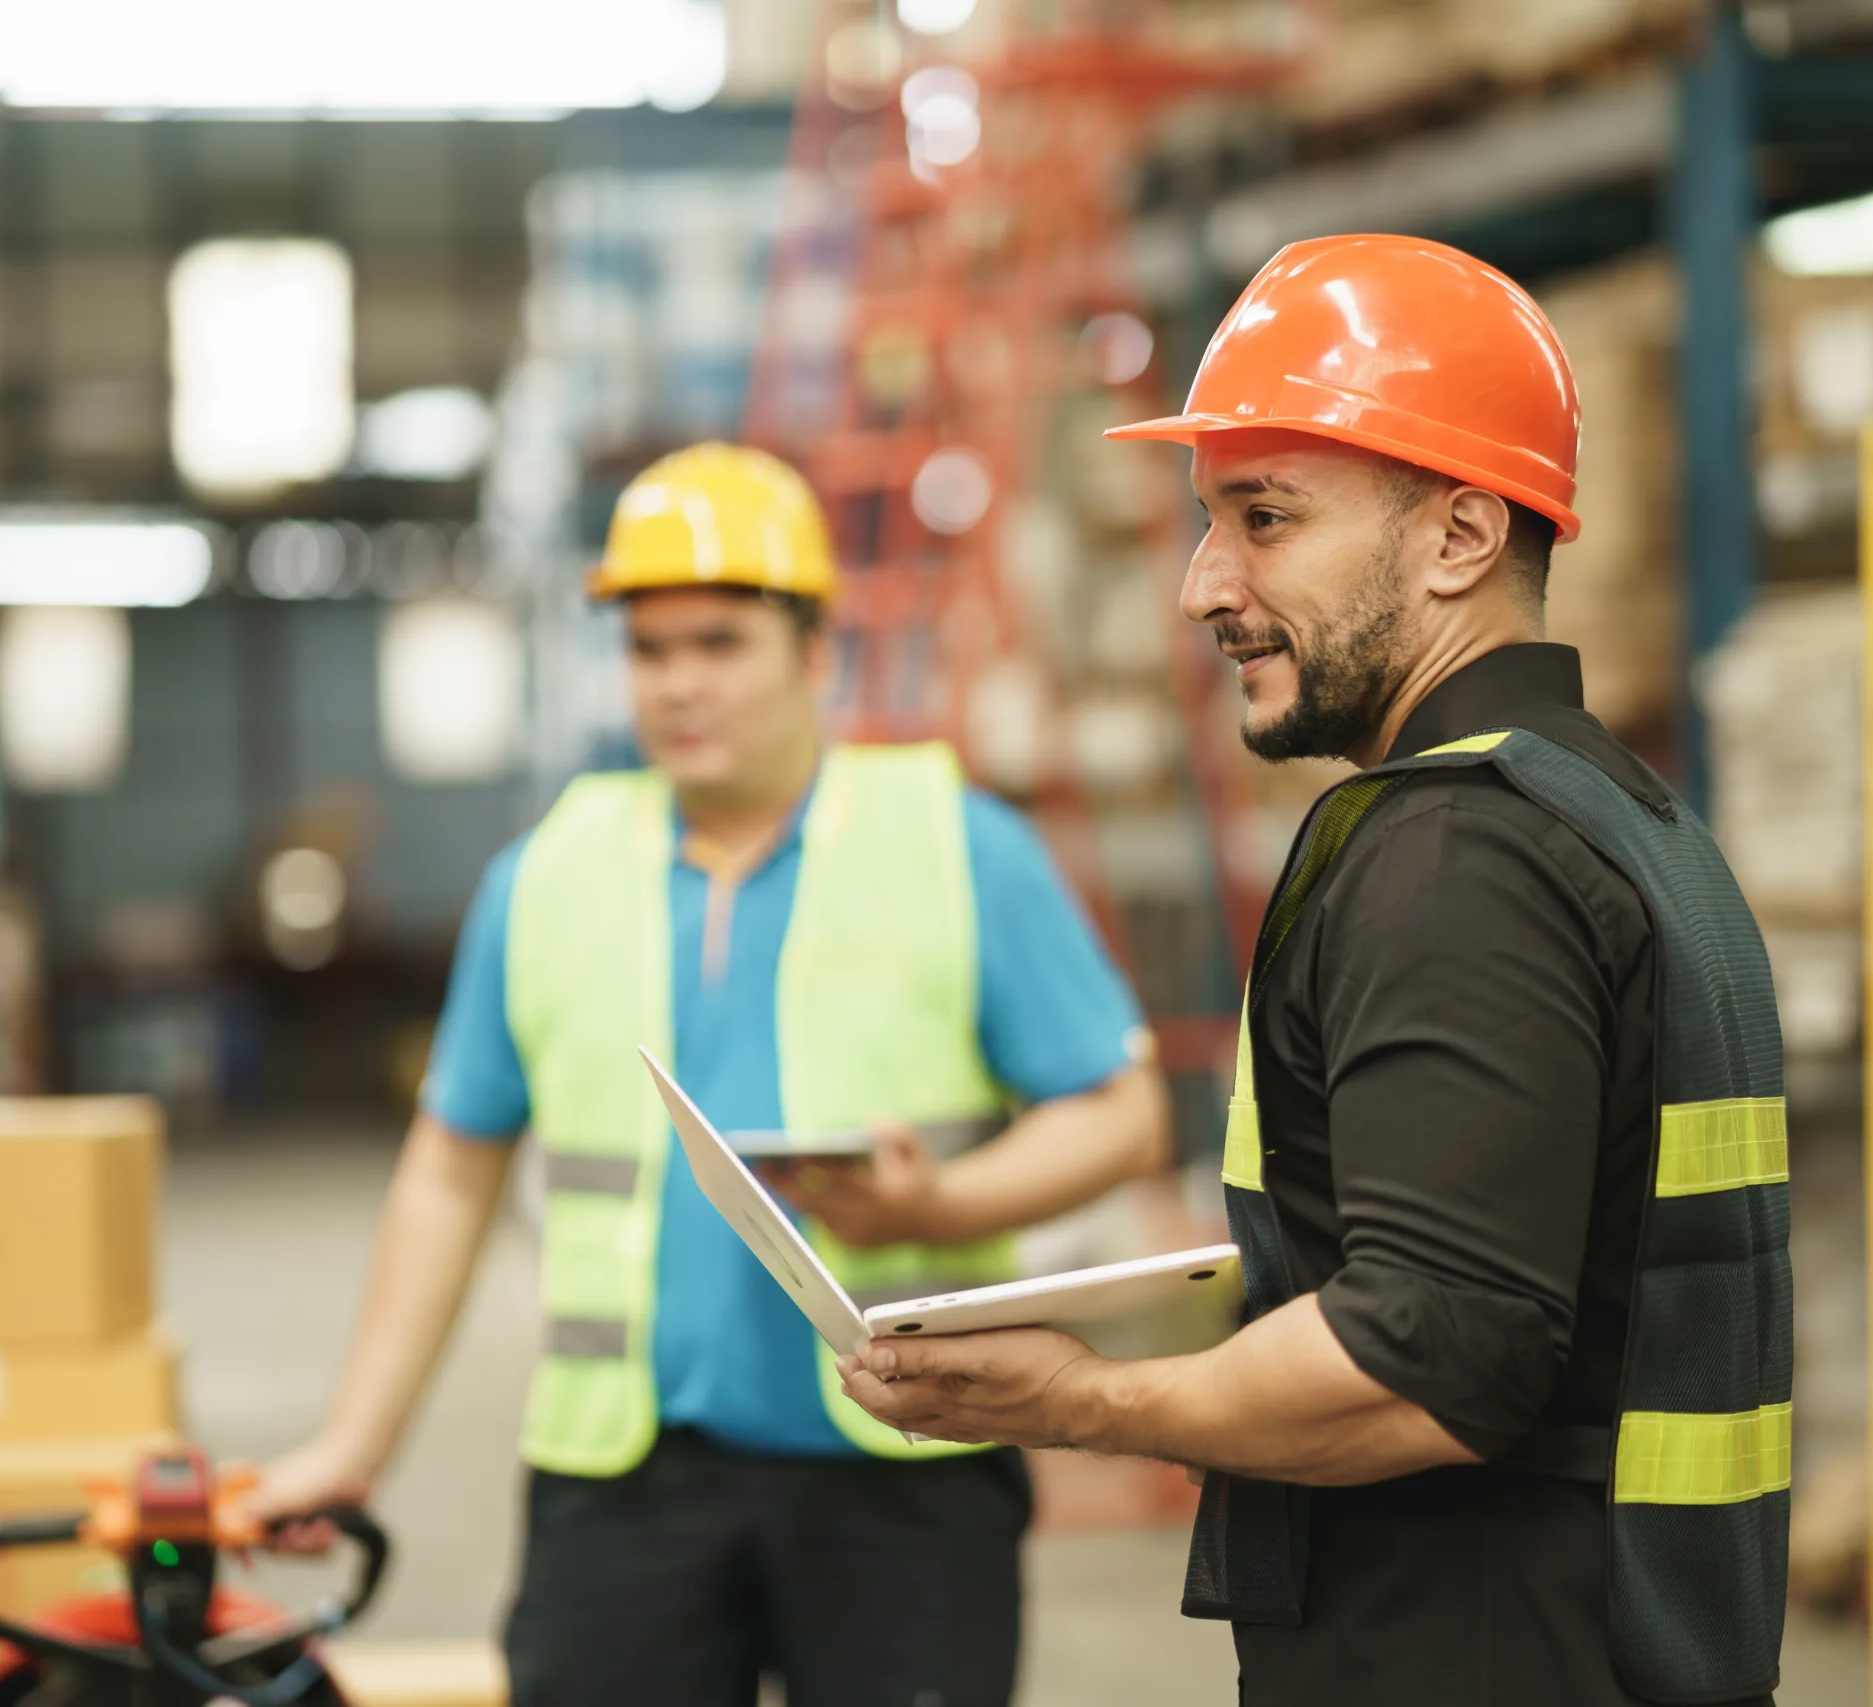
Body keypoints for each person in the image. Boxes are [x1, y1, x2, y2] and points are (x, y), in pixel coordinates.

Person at [838, 235, 1792, 1707]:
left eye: (1264, 517)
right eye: (1208, 521)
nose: (1203, 586)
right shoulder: (1628, 818)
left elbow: (1434, 1351)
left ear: (1461, 538)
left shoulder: (1456, 857)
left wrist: (1083, 1396)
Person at [250, 441, 1170, 1707]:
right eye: (648, 648)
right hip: (623, 1487)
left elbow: (1119, 1117)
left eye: (719, 643)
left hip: (908, 1464)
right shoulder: (547, 877)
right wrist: (353, 1447)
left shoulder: (954, 845)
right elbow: (448, 1175)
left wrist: (938, 1211)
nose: (678, 684)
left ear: (811, 651)